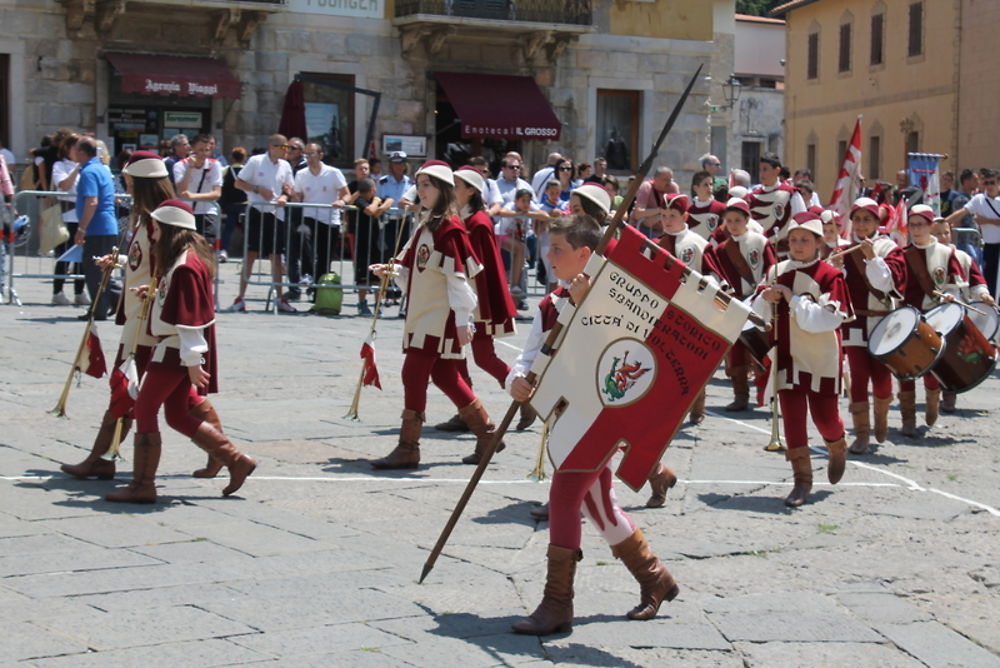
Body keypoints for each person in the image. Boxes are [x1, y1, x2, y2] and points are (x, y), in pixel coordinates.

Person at [508, 214, 679, 636]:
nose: (548, 256)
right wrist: (517, 378)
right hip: (566, 419)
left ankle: (557, 604)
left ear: (585, 254)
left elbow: (627, 357)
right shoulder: (550, 304)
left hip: (601, 419)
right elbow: (530, 354)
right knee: (599, 505)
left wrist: (587, 306)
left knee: (565, 495)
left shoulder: (616, 305)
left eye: (558, 250)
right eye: (548, 248)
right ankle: (654, 576)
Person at [105, 200, 256, 503]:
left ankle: (143, 485)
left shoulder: (185, 265)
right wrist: (152, 293)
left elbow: (190, 320)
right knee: (175, 415)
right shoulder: (186, 260)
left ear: (169, 229)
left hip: (175, 348)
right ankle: (235, 459)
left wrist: (192, 361)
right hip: (176, 348)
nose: (154, 235)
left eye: (157, 229)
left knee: (145, 409)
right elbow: (180, 305)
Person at [368, 161, 503, 470]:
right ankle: (487, 434)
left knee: (412, 373)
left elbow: (458, 278)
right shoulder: (427, 223)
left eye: (427, 184)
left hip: (438, 316)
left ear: (442, 189)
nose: (421, 189)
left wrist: (461, 319)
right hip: (424, 313)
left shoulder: (449, 227)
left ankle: (408, 447)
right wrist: (392, 272)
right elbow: (416, 269)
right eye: (420, 183)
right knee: (444, 374)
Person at [751, 212, 853, 507]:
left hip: (820, 356)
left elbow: (827, 320)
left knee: (825, 419)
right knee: (793, 420)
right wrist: (764, 299)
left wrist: (793, 300)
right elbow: (756, 312)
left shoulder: (830, 276)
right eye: (793, 239)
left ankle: (837, 445)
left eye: (805, 240)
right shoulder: (775, 270)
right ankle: (801, 481)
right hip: (786, 355)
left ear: (819, 243)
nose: (797, 245)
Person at [433, 166, 524, 442]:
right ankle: (466, 409)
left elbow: (483, 270)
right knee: (453, 355)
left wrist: (475, 306)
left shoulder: (479, 223)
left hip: (476, 303)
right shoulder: (459, 218)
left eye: (456, 185)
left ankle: (525, 396)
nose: (450, 191)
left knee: (483, 357)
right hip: (459, 299)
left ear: (470, 190)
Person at [831, 198, 907, 455]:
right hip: (855, 322)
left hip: (882, 320)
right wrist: (837, 271)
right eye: (858, 219)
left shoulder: (889, 248)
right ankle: (862, 434)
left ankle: (882, 418)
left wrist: (872, 257)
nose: (862, 224)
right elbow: (836, 289)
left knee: (882, 378)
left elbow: (889, 285)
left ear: (877, 222)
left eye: (868, 219)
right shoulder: (844, 250)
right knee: (858, 376)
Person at [895, 204, 965, 435]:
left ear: (930, 226)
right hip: (908, 318)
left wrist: (950, 297)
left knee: (931, 366)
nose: (916, 230)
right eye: (912, 225)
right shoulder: (902, 254)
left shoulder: (945, 253)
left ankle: (933, 400)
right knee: (905, 367)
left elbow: (955, 284)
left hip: (935, 318)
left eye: (921, 225)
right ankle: (907, 419)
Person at [656, 194, 724, 425]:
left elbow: (715, 276)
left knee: (689, 360)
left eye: (672, 216)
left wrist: (697, 285)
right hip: (663, 309)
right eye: (663, 215)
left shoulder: (697, 243)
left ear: (685, 216)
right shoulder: (655, 244)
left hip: (691, 310)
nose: (667, 220)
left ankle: (697, 403)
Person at [714, 198, 776, 412]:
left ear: (747, 219)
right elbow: (721, 276)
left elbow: (771, 269)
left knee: (763, 347)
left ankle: (765, 392)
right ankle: (740, 395)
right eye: (729, 220)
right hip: (736, 304)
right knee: (737, 351)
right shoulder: (722, 248)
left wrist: (762, 292)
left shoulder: (760, 242)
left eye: (737, 220)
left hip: (759, 301)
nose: (733, 224)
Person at [930, 218, 996, 413]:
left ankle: (950, 394)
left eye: (945, 233)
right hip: (930, 313)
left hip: (956, 314)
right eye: (937, 234)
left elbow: (976, 280)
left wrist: (983, 294)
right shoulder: (924, 257)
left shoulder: (962, 257)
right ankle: (932, 394)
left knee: (952, 357)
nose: (942, 237)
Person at [228, 134, 296, 313]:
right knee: (250, 253)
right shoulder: (256, 161)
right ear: (272, 147)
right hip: (257, 210)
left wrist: (284, 196)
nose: (286, 151)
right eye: (283, 147)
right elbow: (239, 183)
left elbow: (289, 188)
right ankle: (241, 296)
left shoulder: (286, 166)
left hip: (276, 213)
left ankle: (280, 297)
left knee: (276, 255)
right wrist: (258, 189)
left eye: (287, 148)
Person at [72, 136, 121, 320]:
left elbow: (91, 201)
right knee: (103, 269)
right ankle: (117, 301)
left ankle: (100, 308)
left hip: (97, 227)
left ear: (82, 153)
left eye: (75, 149)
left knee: (94, 270)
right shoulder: (100, 168)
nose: (72, 152)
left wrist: (82, 228)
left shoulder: (89, 172)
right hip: (106, 226)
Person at [293, 142, 350, 283]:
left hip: (329, 219)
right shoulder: (301, 174)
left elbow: (346, 194)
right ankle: (307, 272)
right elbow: (298, 197)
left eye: (311, 154)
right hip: (309, 216)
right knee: (302, 234)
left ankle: (318, 294)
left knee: (324, 258)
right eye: (306, 155)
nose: (308, 158)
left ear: (320, 155)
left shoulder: (333, 172)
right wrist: (290, 193)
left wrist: (341, 202)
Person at [944, 168, 1000, 300]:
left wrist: (986, 221)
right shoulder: (979, 199)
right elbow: (962, 212)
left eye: (992, 183)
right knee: (989, 279)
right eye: (986, 183)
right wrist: (942, 222)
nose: (989, 186)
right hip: (989, 246)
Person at [51, 132, 88, 306]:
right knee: (64, 255)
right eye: (76, 148)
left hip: (84, 216)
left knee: (82, 256)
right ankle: (57, 291)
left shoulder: (88, 166)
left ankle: (79, 291)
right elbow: (64, 185)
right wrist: (76, 168)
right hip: (68, 216)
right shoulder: (60, 165)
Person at [745, 153, 806, 258]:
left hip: (784, 255)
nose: (761, 173)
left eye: (765, 169)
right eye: (760, 169)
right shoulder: (752, 197)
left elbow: (801, 222)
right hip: (759, 255)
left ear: (777, 170)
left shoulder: (791, 194)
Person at [349, 177, 394, 316]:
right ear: (372, 190)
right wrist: (376, 203)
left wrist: (380, 208)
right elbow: (369, 210)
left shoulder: (377, 198)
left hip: (376, 242)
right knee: (362, 275)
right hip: (362, 242)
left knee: (377, 274)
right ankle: (362, 303)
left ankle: (378, 304)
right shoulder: (360, 200)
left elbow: (390, 200)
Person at [173, 133, 223, 250]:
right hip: (186, 212)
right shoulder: (179, 166)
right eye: (200, 150)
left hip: (207, 212)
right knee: (185, 247)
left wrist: (193, 196)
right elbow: (181, 191)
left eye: (207, 150)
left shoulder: (215, 165)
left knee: (207, 247)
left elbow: (217, 193)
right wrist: (190, 168)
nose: (203, 154)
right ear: (192, 149)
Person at [218, 146, 248, 262]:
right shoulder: (247, 170)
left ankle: (224, 250)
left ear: (232, 157)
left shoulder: (226, 170)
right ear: (244, 158)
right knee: (247, 229)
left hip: (230, 205)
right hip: (245, 205)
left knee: (228, 229)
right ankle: (248, 252)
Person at [632, 166, 679, 231]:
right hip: (644, 229)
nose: (669, 183)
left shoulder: (673, 187)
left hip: (664, 230)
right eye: (666, 180)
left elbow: (678, 211)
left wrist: (659, 217)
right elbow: (638, 214)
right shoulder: (646, 187)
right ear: (656, 179)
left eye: (670, 180)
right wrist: (660, 210)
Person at [688, 170, 726, 240]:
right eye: (705, 185)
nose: (709, 188)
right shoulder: (689, 212)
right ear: (696, 188)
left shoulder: (721, 208)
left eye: (711, 184)